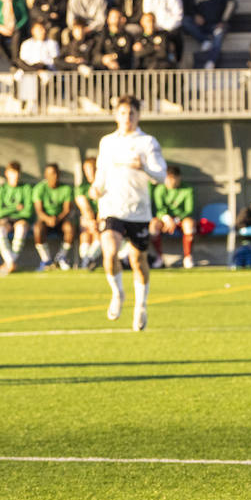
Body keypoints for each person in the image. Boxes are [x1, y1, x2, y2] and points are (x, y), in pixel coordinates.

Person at [91, 94, 166, 330]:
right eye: (122, 113)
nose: (127, 118)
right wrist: (96, 187)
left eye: (131, 113)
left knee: (137, 259)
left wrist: (143, 166)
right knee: (110, 252)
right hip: (111, 208)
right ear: (116, 115)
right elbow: (101, 172)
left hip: (138, 211)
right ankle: (117, 293)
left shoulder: (147, 142)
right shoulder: (107, 142)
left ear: (138, 115)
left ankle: (140, 306)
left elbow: (161, 175)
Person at [149, 163, 196, 269]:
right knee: (153, 225)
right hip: (165, 220)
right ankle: (159, 258)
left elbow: (189, 210)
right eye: (167, 179)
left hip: (180, 220)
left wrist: (175, 220)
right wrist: (166, 218)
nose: (169, 182)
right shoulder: (160, 189)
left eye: (172, 178)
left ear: (178, 178)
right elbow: (159, 209)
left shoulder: (187, 189)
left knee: (189, 224)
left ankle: (188, 257)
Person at [31, 162, 75, 270]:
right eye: (50, 174)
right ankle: (46, 260)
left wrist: (57, 219)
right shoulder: (39, 188)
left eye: (56, 173)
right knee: (37, 228)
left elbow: (66, 210)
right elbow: (39, 211)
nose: (54, 176)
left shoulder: (66, 189)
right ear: (45, 176)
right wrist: (48, 219)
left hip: (60, 220)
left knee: (70, 228)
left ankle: (61, 257)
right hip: (45, 220)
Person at [0, 160, 32, 274]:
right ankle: (11, 262)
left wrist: (9, 209)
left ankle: (9, 263)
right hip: (6, 220)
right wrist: (16, 207)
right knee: (0, 230)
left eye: (17, 173)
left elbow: (28, 212)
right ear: (7, 173)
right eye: (12, 173)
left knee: (21, 227)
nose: (15, 176)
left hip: (20, 220)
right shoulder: (1, 189)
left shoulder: (26, 188)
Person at [74, 155, 103, 270]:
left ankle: (89, 259)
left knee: (100, 229)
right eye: (86, 170)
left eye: (91, 169)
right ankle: (86, 259)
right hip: (89, 219)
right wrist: (92, 221)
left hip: (102, 217)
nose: (89, 173)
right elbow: (84, 207)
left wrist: (98, 221)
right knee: (85, 229)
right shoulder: (82, 187)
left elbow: (105, 205)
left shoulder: (105, 186)